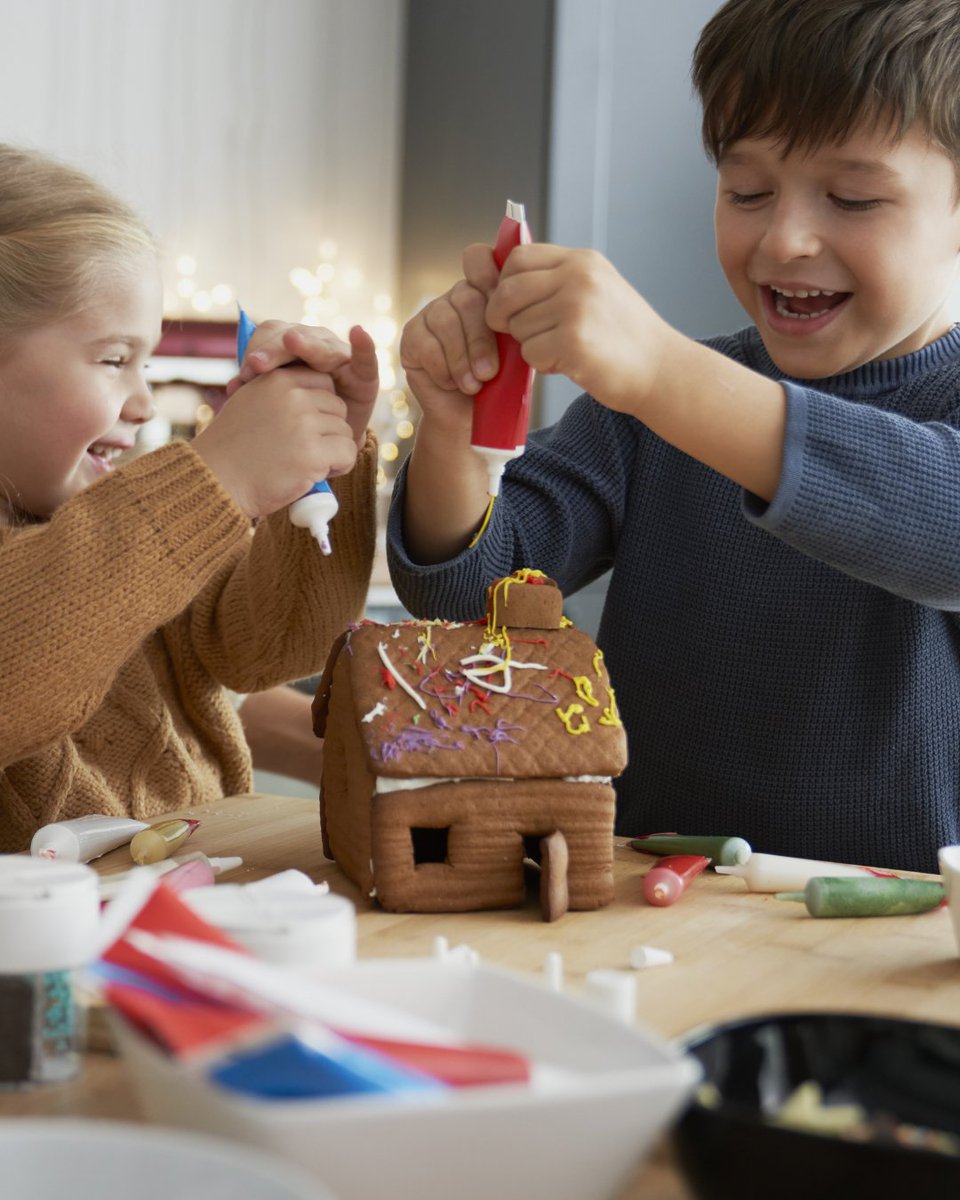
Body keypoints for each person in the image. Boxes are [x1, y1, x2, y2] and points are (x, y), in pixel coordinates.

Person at [387, 0, 960, 874]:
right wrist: (456, 431)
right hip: (650, 907)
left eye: (852, 197)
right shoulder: (649, 414)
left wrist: (660, 373)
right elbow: (471, 594)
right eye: (747, 191)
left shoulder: (667, 389)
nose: (785, 237)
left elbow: (941, 523)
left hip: (895, 943)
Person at [0, 143, 377, 852]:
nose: (144, 402)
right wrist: (219, 477)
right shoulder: (127, 531)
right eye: (115, 360)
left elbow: (269, 650)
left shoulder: (111, 519)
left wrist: (318, 461)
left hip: (191, 906)